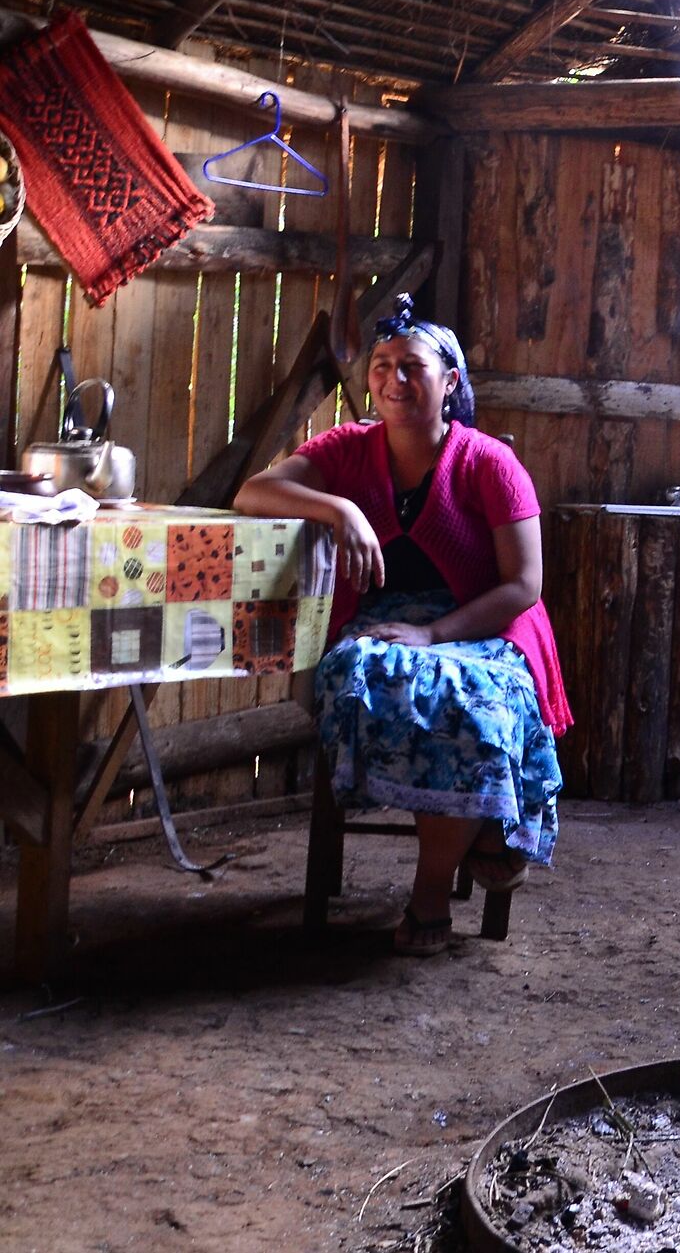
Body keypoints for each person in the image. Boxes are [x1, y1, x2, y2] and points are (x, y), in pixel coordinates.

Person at [236, 296, 571, 955]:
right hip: (379, 625)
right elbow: (252, 492)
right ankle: (482, 830)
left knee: (469, 701)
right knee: (371, 676)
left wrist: (435, 634)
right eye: (382, 365)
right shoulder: (347, 451)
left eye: (413, 365)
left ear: (449, 381)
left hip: (483, 628)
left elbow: (523, 586)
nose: (395, 378)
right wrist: (341, 510)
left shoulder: (489, 464)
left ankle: (429, 894)